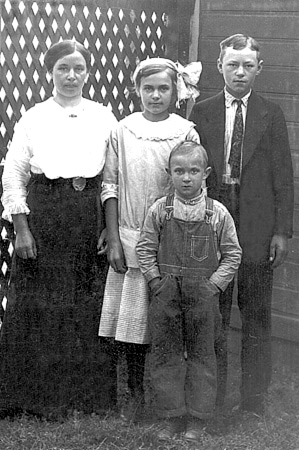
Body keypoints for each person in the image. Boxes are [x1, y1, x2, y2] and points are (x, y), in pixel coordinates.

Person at [0, 39, 117, 418]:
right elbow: (14, 175)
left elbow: (114, 175)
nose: (71, 76)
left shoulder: (103, 116)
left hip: (88, 214)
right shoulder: (34, 117)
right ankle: (37, 398)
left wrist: (108, 228)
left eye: (78, 68)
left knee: (84, 307)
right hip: (45, 213)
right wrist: (22, 229)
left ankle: (84, 396)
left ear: (87, 71)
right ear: (50, 72)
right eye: (62, 68)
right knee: (42, 306)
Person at [189, 34, 294, 413]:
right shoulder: (201, 112)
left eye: (248, 65)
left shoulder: (271, 113)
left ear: (259, 69)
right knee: (213, 312)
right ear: (220, 66)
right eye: (233, 64)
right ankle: (211, 395)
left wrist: (281, 231)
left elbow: (283, 177)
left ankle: (253, 398)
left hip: (256, 226)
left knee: (255, 312)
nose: (240, 72)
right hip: (212, 223)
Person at [98, 57, 202, 422]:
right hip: (128, 234)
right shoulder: (123, 130)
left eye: (163, 89)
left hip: (170, 238)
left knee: (165, 323)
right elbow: (110, 185)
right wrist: (113, 237)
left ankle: (168, 399)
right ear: (137, 91)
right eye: (148, 89)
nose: (155, 95)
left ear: (175, 92)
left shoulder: (185, 130)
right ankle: (135, 396)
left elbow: (190, 185)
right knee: (130, 326)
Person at [136, 141, 241, 441]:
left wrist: (213, 286)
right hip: (166, 293)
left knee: (202, 355)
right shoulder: (161, 210)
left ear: (205, 173)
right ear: (169, 173)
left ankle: (197, 419)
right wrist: (155, 281)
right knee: (166, 354)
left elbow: (233, 254)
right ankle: (171, 416)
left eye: (193, 171)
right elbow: (145, 248)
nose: (186, 178)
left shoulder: (216, 213)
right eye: (179, 171)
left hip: (202, 296)